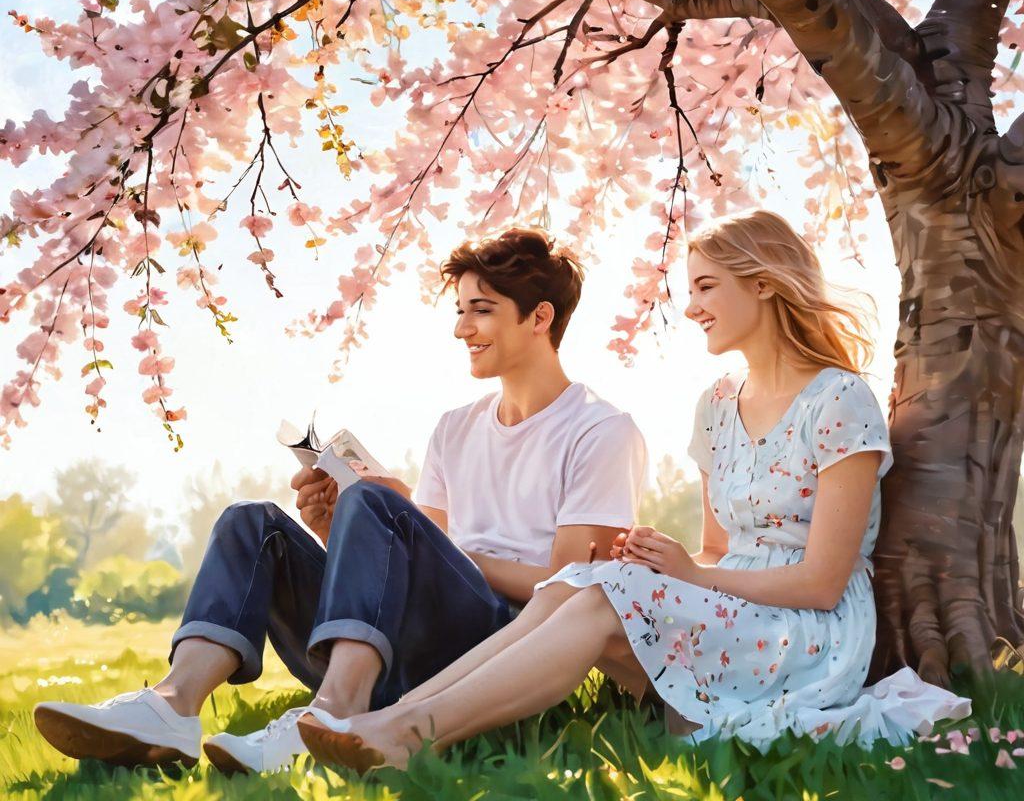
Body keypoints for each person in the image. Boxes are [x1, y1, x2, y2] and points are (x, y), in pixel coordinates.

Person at [295, 209, 972, 772]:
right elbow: (715, 550)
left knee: (596, 590)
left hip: (810, 635)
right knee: (579, 583)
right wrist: (671, 566)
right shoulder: (717, 405)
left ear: (764, 285)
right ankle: (391, 721)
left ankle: (413, 734)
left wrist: (687, 578)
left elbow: (824, 582)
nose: (691, 306)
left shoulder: (840, 401)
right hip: (735, 609)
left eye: (707, 288)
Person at [33, 228, 648, 773]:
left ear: (539, 319)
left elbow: (572, 587)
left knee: (379, 506)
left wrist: (410, 532)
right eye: (460, 311)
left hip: (494, 651)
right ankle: (171, 706)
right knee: (255, 523)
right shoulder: (455, 427)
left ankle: (333, 713)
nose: (462, 328)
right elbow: (410, 571)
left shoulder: (599, 430)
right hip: (389, 644)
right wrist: (340, 528)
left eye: (481, 311)